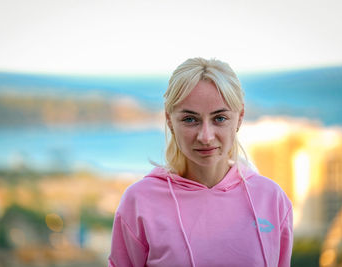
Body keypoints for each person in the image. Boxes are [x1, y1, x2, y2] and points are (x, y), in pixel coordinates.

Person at [108, 57, 293, 267]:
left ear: (239, 117)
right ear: (170, 121)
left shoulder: (271, 199)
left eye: (220, 118)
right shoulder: (139, 201)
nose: (206, 136)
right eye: (190, 119)